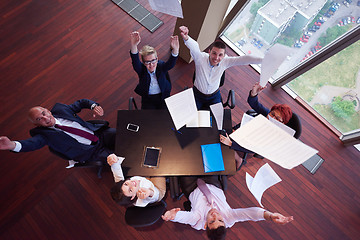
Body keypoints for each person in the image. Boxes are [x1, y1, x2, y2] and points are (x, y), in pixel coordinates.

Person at [162, 177, 293, 239]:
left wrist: (173, 216)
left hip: (192, 186)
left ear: (206, 225)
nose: (216, 216)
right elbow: (250, 214)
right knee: (205, 148)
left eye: (212, 221)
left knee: (186, 158)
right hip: (212, 182)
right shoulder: (229, 217)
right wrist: (270, 216)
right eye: (220, 220)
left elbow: (186, 217)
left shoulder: (197, 221)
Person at [0, 99, 116, 164]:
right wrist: (12, 145)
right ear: (37, 124)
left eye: (43, 113)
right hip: (91, 152)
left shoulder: (61, 109)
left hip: (99, 134)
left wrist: (93, 106)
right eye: (39, 119)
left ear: (47, 110)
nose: (45, 118)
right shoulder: (44, 135)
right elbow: (31, 144)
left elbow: (81, 103)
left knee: (128, 136)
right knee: (119, 159)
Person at [179, 25, 263, 110]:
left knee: (216, 120)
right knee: (190, 116)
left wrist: (263, 60)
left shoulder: (225, 61)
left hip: (214, 97)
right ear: (209, 51)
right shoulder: (200, 58)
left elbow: (244, 59)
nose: (216, 58)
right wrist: (186, 38)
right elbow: (194, 47)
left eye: (220, 55)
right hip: (197, 94)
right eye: (214, 53)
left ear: (224, 56)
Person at [220, 82, 293, 170]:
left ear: (282, 124)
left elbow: (252, 149)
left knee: (223, 143)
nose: (272, 118)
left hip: (248, 143)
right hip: (242, 131)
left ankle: (239, 159)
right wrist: (254, 93)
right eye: (272, 114)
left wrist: (231, 143)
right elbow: (254, 103)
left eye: (277, 119)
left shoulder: (273, 137)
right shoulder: (267, 114)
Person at [130, 31, 179, 109]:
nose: (151, 64)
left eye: (153, 60)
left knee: (165, 116)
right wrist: (134, 45)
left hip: (163, 96)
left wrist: (175, 50)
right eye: (148, 62)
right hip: (148, 99)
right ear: (143, 63)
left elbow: (171, 64)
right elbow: (135, 61)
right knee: (149, 119)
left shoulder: (161, 65)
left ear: (157, 59)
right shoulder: (142, 70)